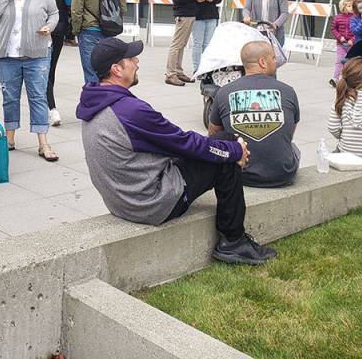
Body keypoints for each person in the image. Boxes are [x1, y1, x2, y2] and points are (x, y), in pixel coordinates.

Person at [77, 37, 276, 265]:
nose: (137, 62)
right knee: (225, 150)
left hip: (122, 202)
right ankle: (234, 242)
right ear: (116, 69)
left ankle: (234, 236)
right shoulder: (129, 111)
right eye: (131, 59)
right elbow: (185, 143)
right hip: (151, 204)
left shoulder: (95, 102)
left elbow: (171, 144)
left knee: (218, 147)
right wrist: (235, 151)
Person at [0, 0, 60, 162]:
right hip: (7, 55)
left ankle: (43, 143)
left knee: (38, 97)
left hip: (37, 53)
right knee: (10, 98)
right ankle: (9, 139)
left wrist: (49, 26)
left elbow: (54, 13)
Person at [210, 42, 300, 188]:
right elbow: (289, 132)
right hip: (283, 173)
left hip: (239, 173)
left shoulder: (223, 92)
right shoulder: (288, 91)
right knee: (294, 148)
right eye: (273, 58)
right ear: (262, 62)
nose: (275, 62)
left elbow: (214, 135)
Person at [70, 0, 126, 85]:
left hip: (89, 31)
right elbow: (123, 9)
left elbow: (76, 10)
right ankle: (107, 95)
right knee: (107, 71)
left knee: (90, 70)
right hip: (109, 30)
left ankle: (93, 96)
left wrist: (76, 30)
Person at [34, 0, 73, 126]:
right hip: (58, 30)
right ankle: (52, 108)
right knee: (51, 68)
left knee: (42, 67)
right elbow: (71, 8)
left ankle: (47, 105)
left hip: (39, 30)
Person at [165, 0, 197, 86]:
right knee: (177, 45)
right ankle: (170, 74)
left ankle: (178, 71)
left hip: (188, 13)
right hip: (183, 14)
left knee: (182, 44)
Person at [188, 0, 221, 76]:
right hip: (198, 16)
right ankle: (197, 69)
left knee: (208, 44)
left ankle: (206, 68)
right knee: (198, 43)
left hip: (212, 16)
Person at [330, 0, 356, 80]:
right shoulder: (338, 17)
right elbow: (333, 29)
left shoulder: (356, 17)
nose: (351, 8)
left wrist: (352, 40)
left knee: (351, 63)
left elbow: (358, 31)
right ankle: (335, 78)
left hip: (352, 45)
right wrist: (339, 37)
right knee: (339, 61)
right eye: (349, 6)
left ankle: (349, 79)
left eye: (352, 6)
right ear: (343, 7)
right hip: (341, 44)